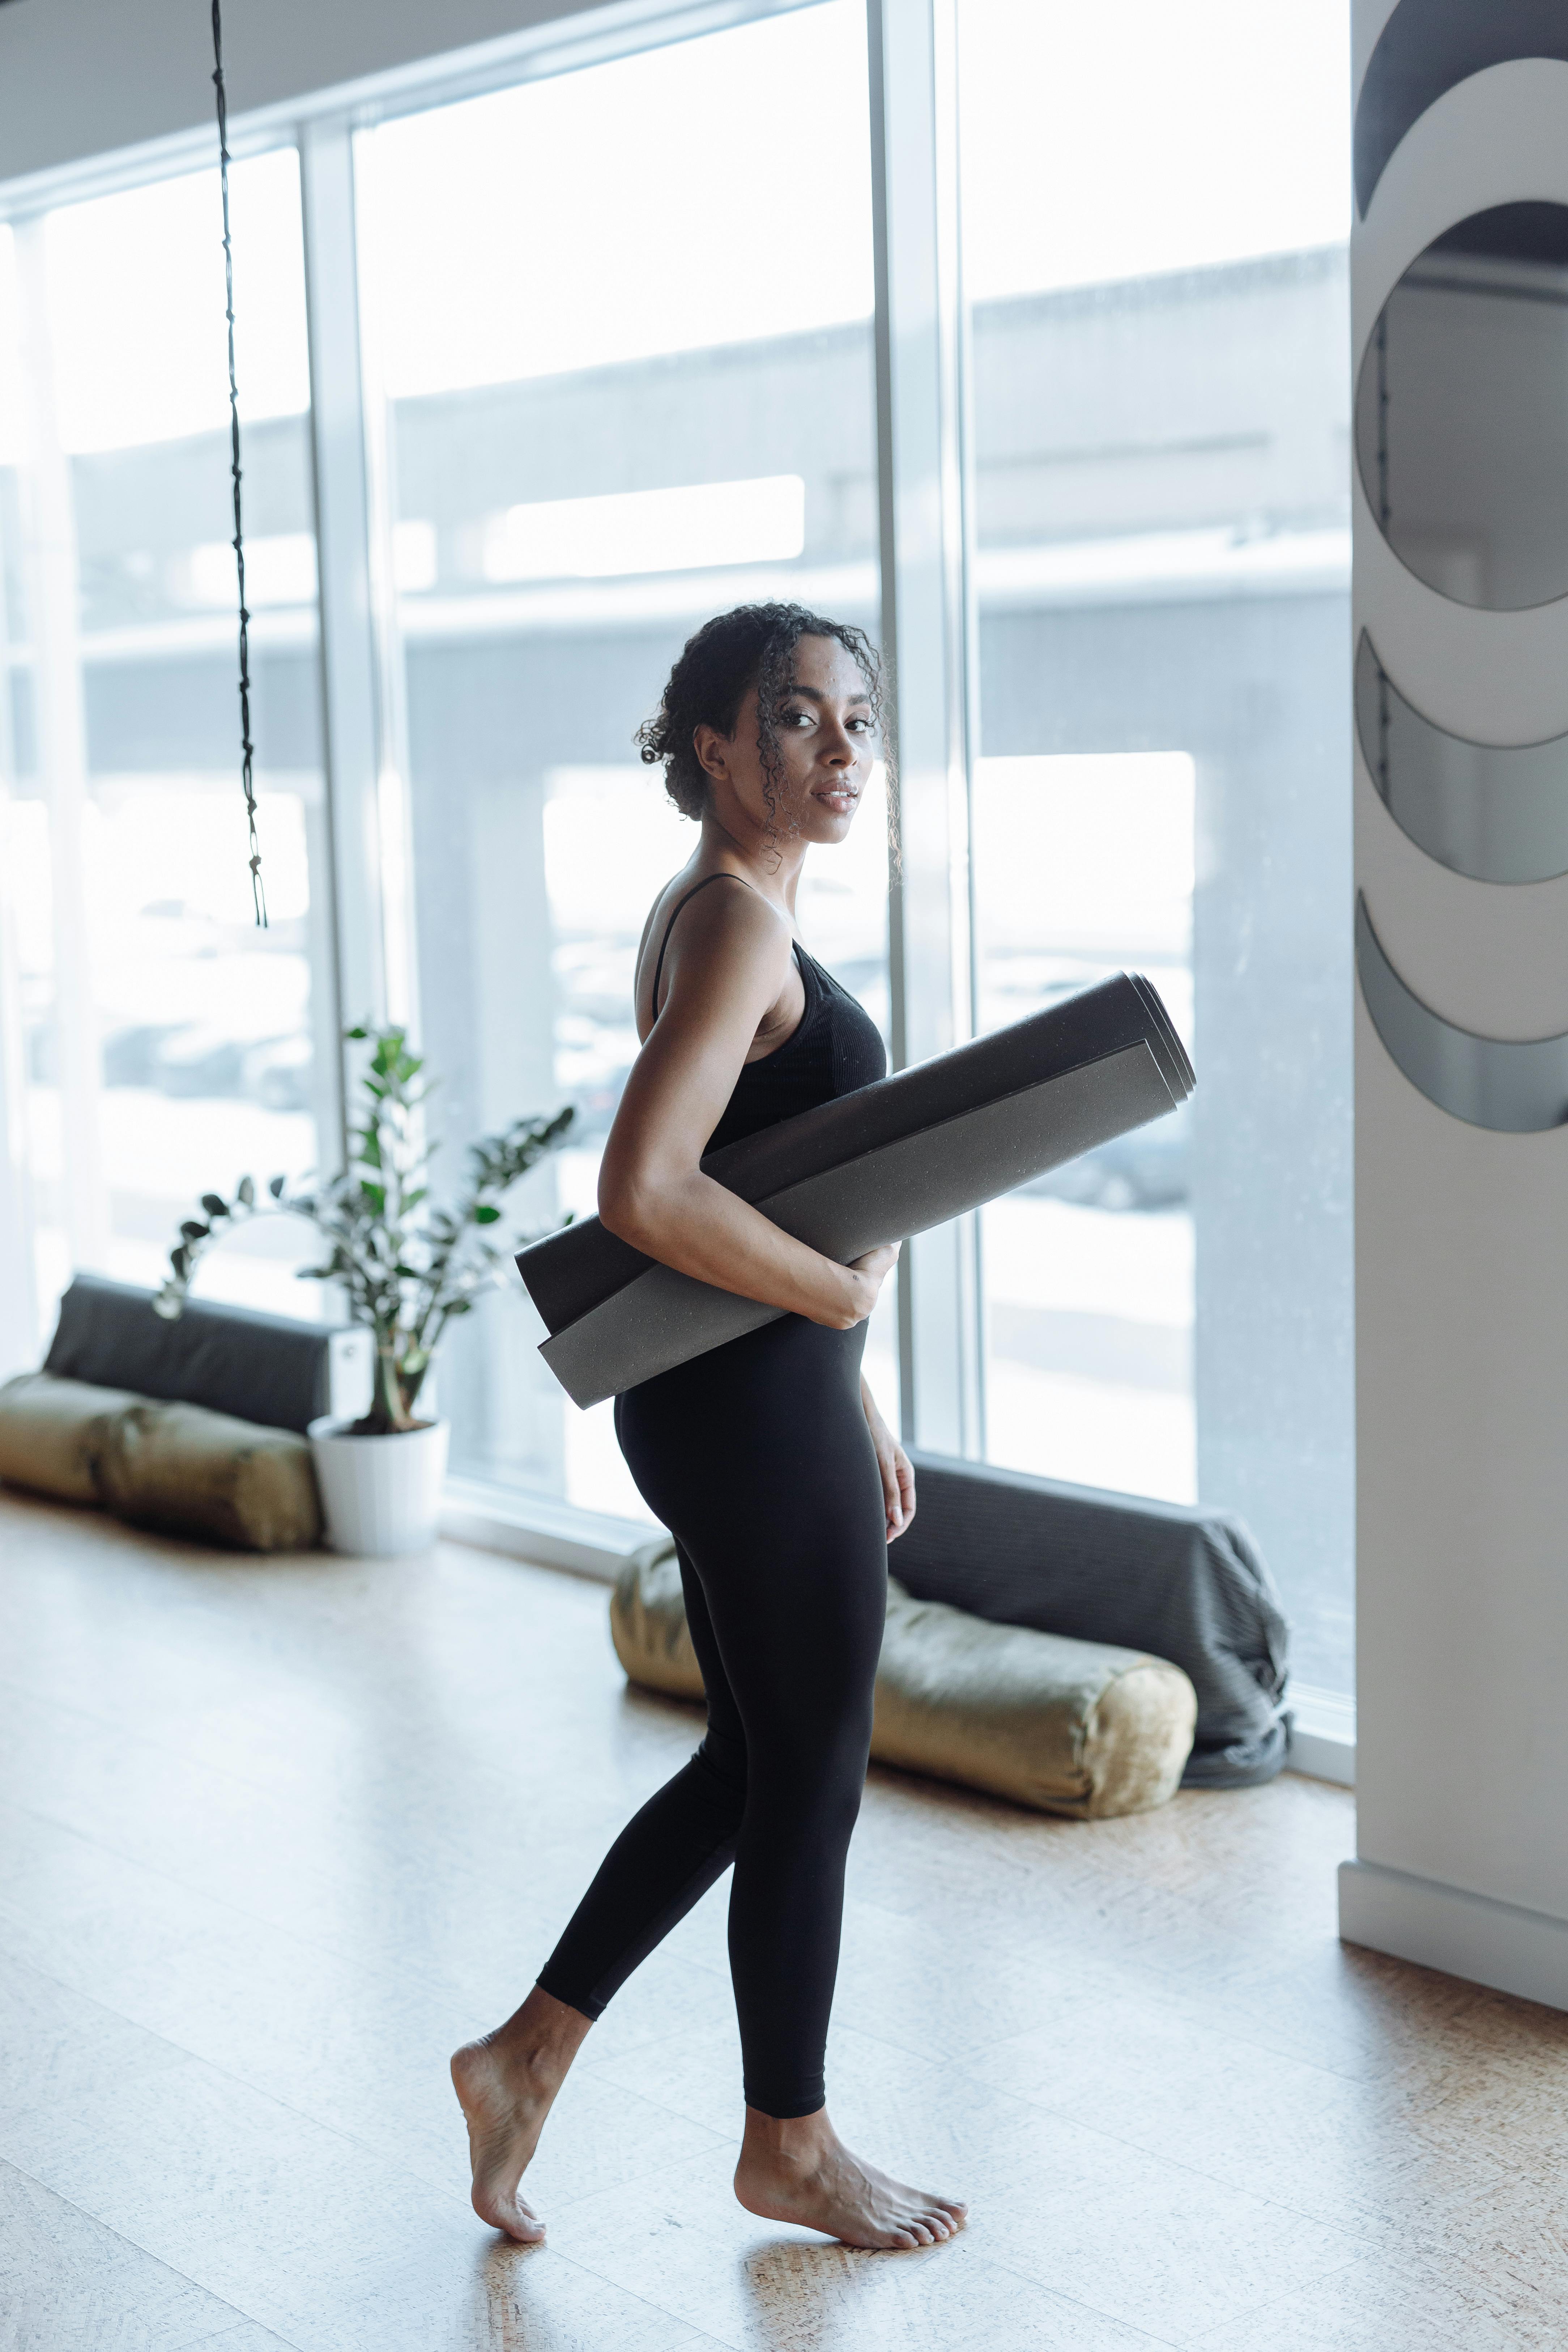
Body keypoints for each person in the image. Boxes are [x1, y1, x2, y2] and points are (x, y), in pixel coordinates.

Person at [451, 603, 967, 2252]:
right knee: (811, 1768)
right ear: (714, 750)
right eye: (799, 718)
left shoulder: (718, 917)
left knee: (753, 1762)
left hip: (751, 1399)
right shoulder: (739, 928)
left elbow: (753, 1186)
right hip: (745, 1404)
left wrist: (850, 1386)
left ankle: (522, 2059)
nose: (840, 751)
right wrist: (832, 1317)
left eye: (857, 723)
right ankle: (789, 2145)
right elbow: (646, 1189)